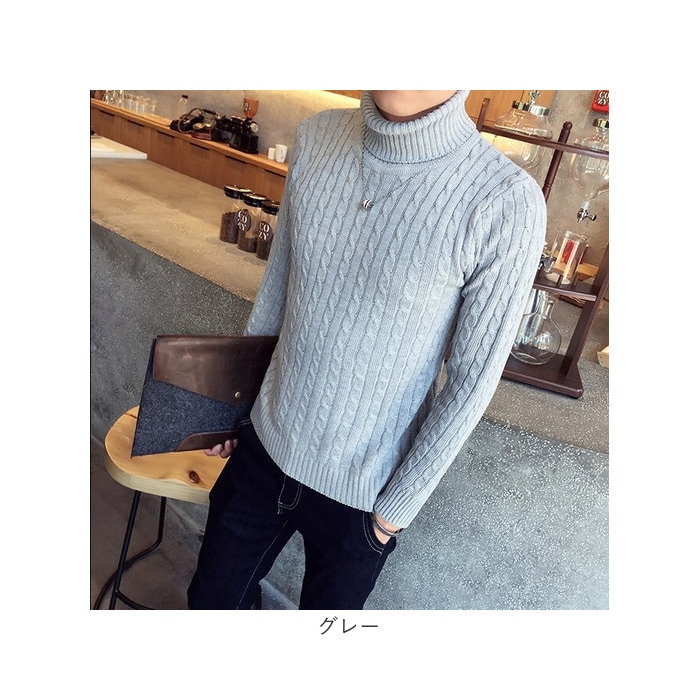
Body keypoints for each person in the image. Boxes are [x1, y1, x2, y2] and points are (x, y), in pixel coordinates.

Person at [187, 90, 547, 610]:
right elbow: (277, 293)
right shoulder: (316, 136)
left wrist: (390, 515)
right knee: (209, 605)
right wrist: (233, 406)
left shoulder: (504, 201)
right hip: (263, 447)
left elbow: (472, 380)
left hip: (364, 496)